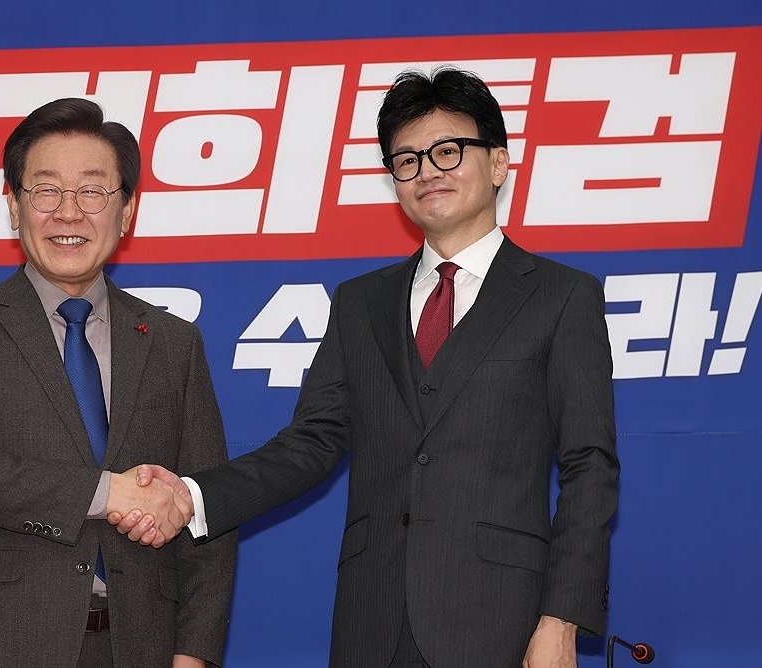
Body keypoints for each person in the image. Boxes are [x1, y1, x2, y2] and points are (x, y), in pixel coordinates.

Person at [119, 68, 619, 668]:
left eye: (448, 151)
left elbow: (588, 467)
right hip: (372, 620)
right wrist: (193, 496)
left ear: (499, 163)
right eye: (406, 160)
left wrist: (559, 619)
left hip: (504, 619)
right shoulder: (361, 302)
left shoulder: (563, 297)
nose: (427, 171)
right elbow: (312, 442)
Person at [0, 98, 236, 668]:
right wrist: (111, 492)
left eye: (92, 191)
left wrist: (195, 653)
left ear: (127, 211)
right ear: (13, 205)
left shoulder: (172, 342)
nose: (68, 213)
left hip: (140, 646)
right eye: (45, 190)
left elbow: (206, 505)